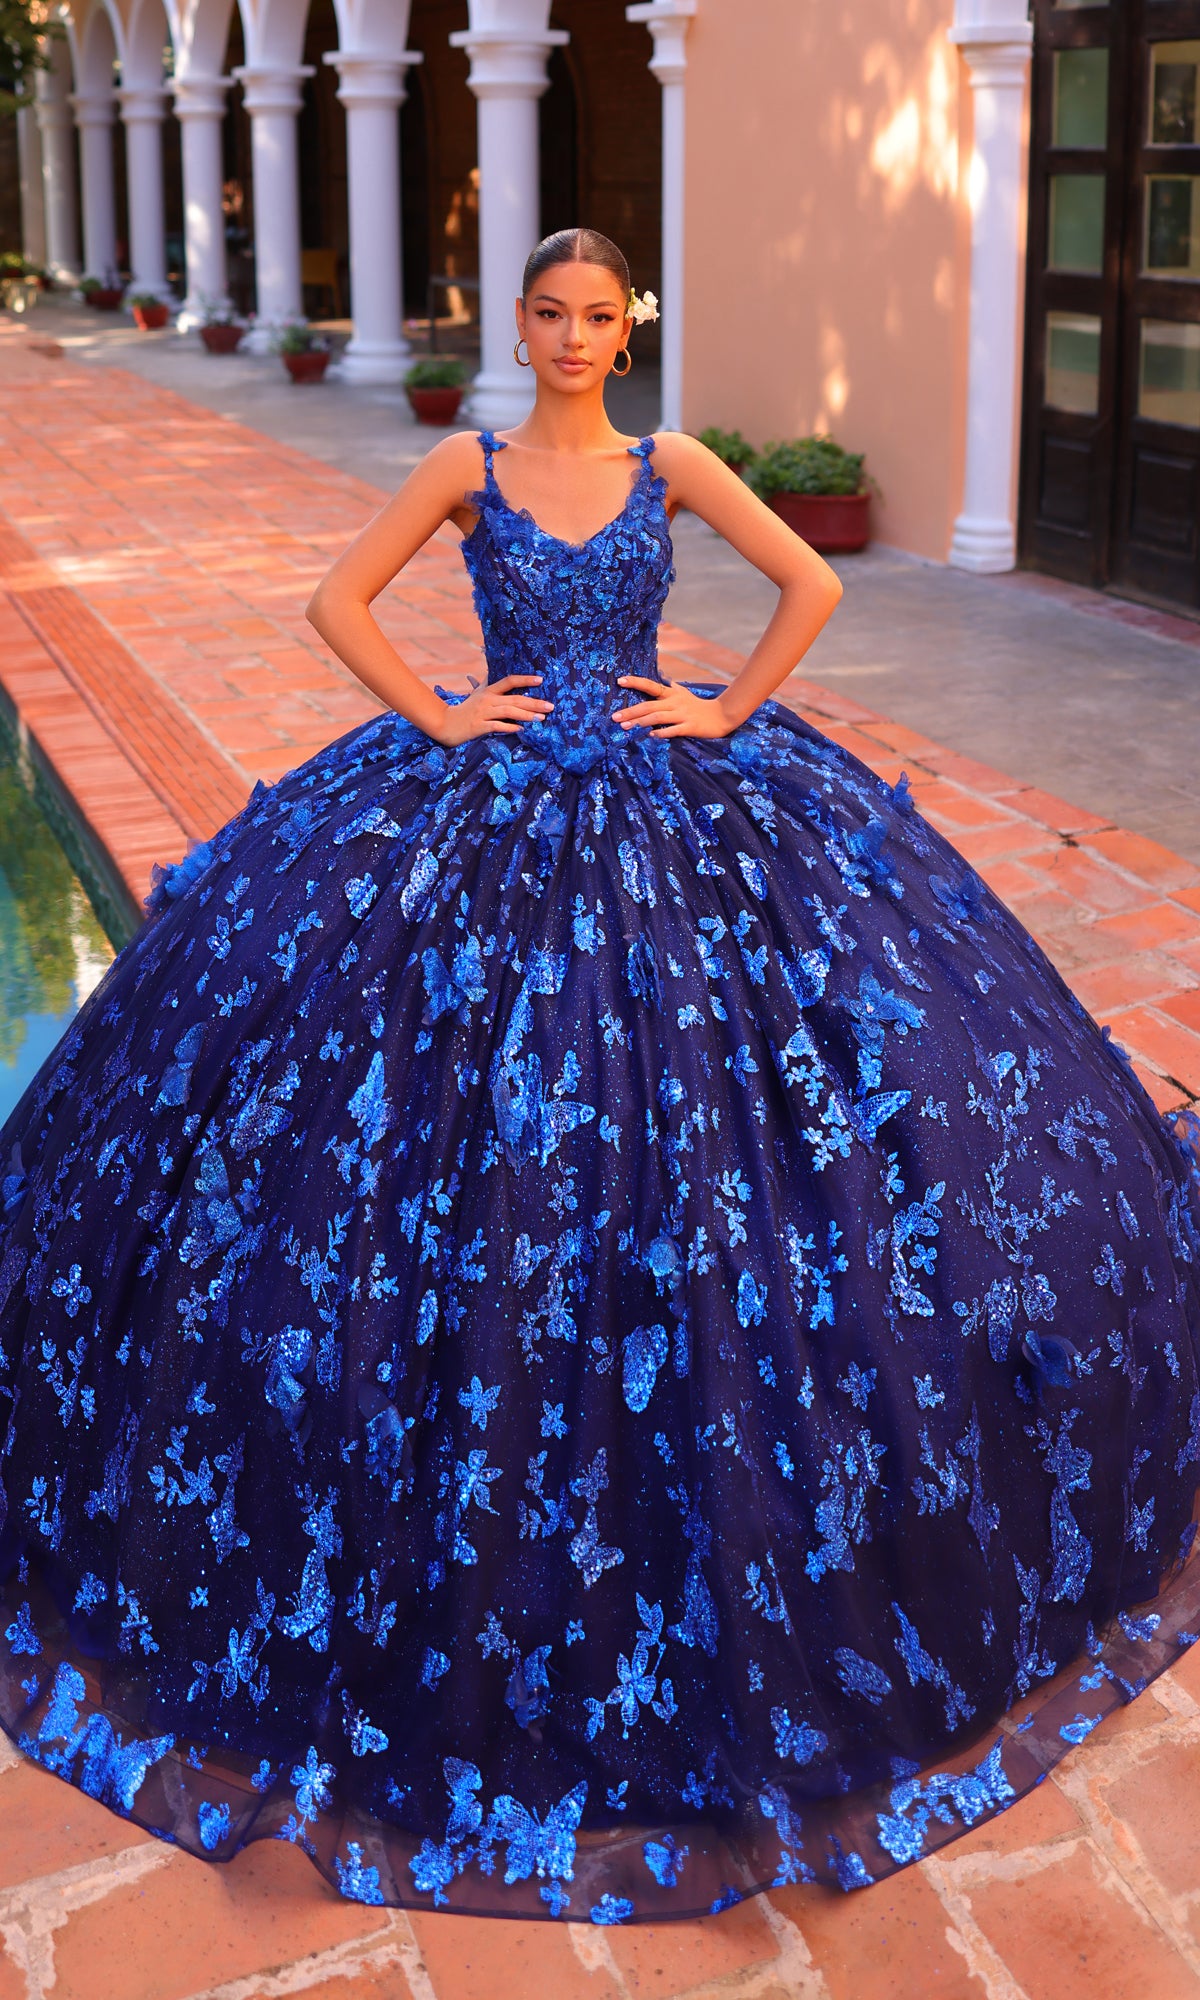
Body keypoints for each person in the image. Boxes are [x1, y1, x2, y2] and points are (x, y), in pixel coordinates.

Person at [0, 226, 1198, 1927]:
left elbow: (813, 588)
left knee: (753, 1132)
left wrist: (722, 713)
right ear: (521, 325)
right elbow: (336, 603)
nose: (573, 337)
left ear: (627, 327)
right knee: (421, 1134)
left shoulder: (671, 463)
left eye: (596, 315)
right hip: (482, 803)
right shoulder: (468, 468)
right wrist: (440, 714)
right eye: (548, 314)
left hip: (666, 793)